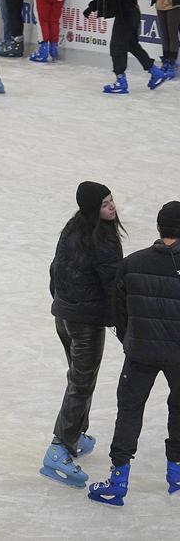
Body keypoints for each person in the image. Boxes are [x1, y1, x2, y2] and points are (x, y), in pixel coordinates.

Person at [88, 201, 180, 506]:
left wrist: (131, 338)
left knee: (129, 411)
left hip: (140, 351)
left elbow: (119, 309)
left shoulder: (133, 263)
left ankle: (118, 480)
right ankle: (176, 474)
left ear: (159, 228)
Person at [37, 182, 124, 488]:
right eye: (104, 203)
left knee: (78, 377)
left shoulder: (72, 228)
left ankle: (73, 434)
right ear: (92, 209)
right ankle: (59, 448)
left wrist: (60, 300)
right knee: (82, 382)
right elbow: (114, 286)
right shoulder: (103, 239)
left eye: (111, 200)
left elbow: (55, 269)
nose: (111, 206)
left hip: (63, 315)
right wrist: (122, 326)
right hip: (84, 321)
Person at [83, 0, 167, 94]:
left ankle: (120, 80)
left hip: (126, 15)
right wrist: (91, 8)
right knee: (131, 45)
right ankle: (155, 72)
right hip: (131, 13)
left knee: (116, 47)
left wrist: (119, 12)